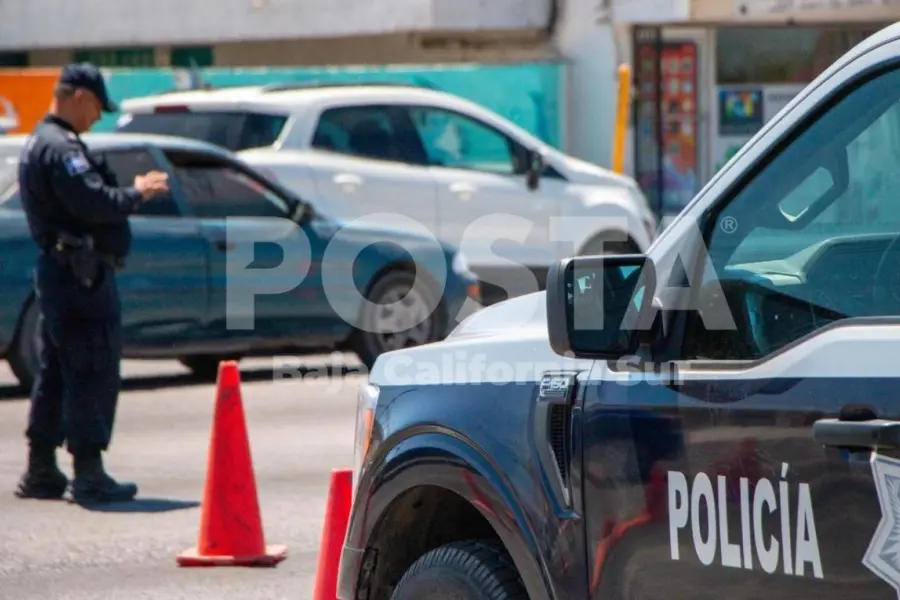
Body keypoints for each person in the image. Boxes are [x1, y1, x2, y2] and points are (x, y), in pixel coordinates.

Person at [15, 63, 170, 503]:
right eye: (97, 107)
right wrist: (137, 193)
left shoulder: (39, 142)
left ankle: (41, 467)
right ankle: (89, 471)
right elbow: (93, 201)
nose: (97, 117)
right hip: (79, 277)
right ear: (80, 97)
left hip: (62, 273)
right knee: (91, 367)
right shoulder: (62, 148)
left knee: (58, 371)